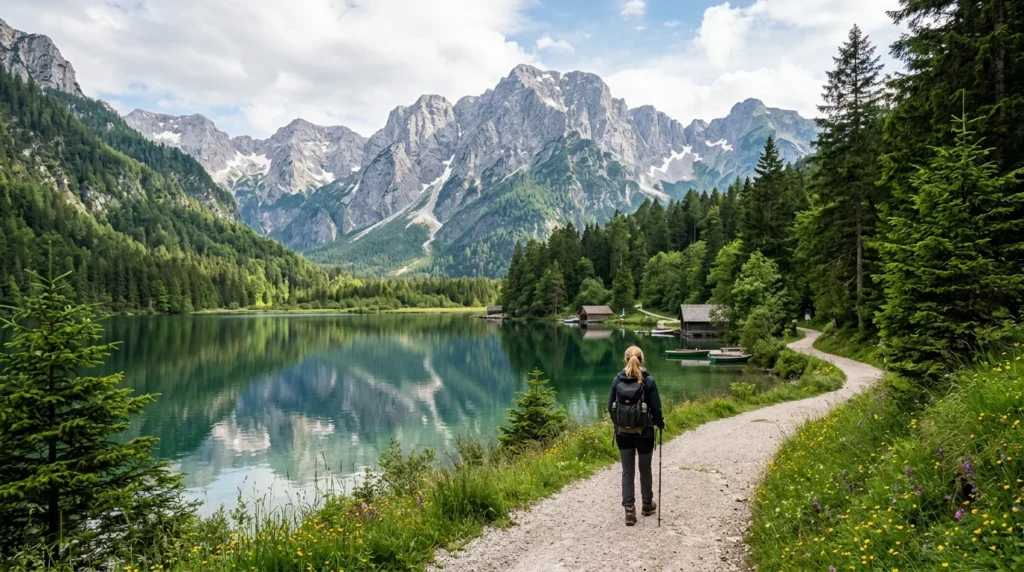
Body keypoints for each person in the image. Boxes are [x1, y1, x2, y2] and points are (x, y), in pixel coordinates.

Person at [608, 345, 664, 526]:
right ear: (642, 359)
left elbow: (610, 408)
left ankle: (629, 511)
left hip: (623, 433)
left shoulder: (618, 380)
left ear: (625, 359)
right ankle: (647, 504)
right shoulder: (648, 381)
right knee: (645, 469)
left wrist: (620, 424)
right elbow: (656, 409)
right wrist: (659, 423)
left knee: (627, 470)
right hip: (645, 433)